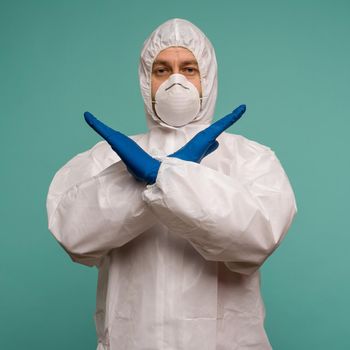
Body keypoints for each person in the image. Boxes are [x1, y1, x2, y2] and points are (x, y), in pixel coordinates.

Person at [47, 18, 297, 350]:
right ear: (145, 80)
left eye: (189, 69)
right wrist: (134, 179)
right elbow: (73, 236)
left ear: (206, 77)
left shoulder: (249, 158)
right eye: (162, 70)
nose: (175, 81)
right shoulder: (108, 159)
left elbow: (257, 239)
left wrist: (166, 177)